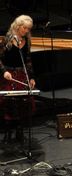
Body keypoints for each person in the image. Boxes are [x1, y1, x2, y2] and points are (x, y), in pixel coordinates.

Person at [0, 15, 36, 144]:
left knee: (24, 102)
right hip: (9, 74)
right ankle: (8, 131)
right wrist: (4, 71)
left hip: (21, 74)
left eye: (28, 29)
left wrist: (31, 77)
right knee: (9, 102)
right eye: (24, 28)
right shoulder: (7, 40)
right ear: (17, 26)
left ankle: (20, 130)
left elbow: (28, 60)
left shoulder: (27, 41)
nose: (26, 31)